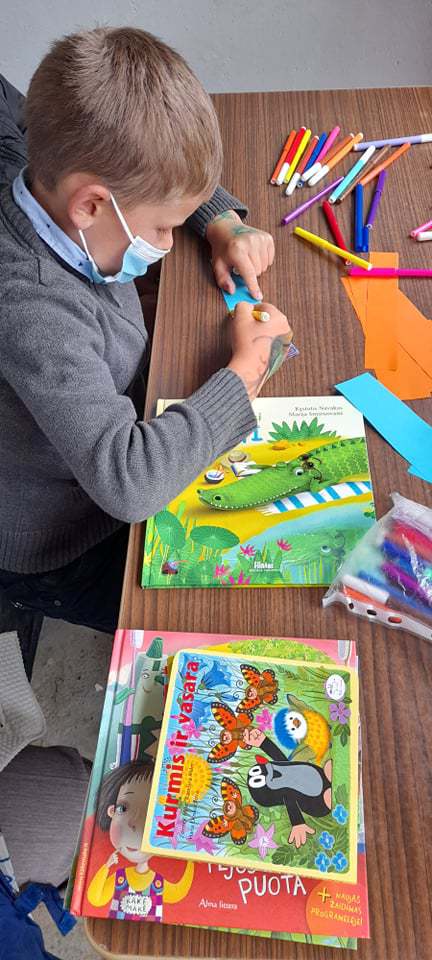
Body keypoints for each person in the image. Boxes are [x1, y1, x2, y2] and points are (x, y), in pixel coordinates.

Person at [0, 28, 291, 634]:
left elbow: (145, 168)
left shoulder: (39, 158)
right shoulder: (31, 310)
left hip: (101, 430)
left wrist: (220, 223)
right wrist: (245, 372)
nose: (167, 242)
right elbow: (128, 482)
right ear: (90, 206)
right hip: (63, 539)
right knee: (207, 617)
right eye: (163, 228)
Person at [87, 759, 194, 920]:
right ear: (111, 811)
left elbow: (180, 891)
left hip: (151, 932)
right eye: (123, 808)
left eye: (151, 813)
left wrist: (191, 858)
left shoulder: (158, 884)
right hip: (116, 928)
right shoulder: (119, 879)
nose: (135, 824)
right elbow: (95, 898)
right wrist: (106, 867)